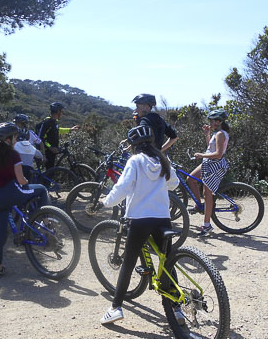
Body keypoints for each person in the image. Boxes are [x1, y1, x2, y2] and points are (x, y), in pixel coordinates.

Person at [98, 125, 183, 325]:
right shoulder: (163, 160)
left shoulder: (135, 161)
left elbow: (123, 187)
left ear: (133, 145)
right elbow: (174, 183)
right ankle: (176, 308)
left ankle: (116, 308)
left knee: (128, 263)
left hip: (140, 219)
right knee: (167, 261)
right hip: (163, 217)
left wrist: (106, 202)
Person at [0, 122, 51, 278]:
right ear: (9, 139)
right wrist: (26, 181)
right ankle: (47, 223)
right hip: (14, 192)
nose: (16, 139)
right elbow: (21, 180)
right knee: (41, 189)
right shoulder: (14, 155)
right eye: (15, 137)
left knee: (0, 234)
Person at [187, 109, 230, 237]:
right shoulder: (217, 133)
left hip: (214, 164)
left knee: (207, 194)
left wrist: (201, 155)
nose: (210, 123)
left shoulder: (221, 134)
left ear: (218, 121)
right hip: (208, 162)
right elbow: (210, 148)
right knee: (190, 179)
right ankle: (199, 205)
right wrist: (207, 134)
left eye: (211, 121)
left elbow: (218, 154)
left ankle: (207, 225)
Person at [35, 102, 79, 170]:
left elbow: (57, 130)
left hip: (53, 150)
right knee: (48, 172)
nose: (62, 113)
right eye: (61, 111)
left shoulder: (54, 121)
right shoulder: (47, 122)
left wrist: (70, 129)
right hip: (46, 151)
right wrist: (50, 147)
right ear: (58, 111)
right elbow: (40, 137)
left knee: (51, 170)